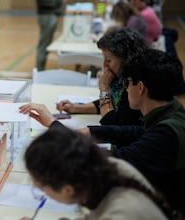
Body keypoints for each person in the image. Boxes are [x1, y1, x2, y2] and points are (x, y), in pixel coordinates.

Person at [20, 49, 185, 216]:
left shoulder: (166, 134)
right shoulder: (171, 112)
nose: (127, 89)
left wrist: (57, 127)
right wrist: (88, 131)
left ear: (140, 87)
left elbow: (108, 160)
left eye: (128, 83)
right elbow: (134, 132)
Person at [19, 123, 171, 220]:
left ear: (68, 189)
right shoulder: (110, 168)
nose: (41, 193)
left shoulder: (120, 213)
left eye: (40, 189)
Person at [56, 28, 148, 125]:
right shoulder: (119, 78)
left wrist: (104, 88)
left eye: (108, 60)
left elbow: (110, 122)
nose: (104, 65)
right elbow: (110, 102)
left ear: (125, 59)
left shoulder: (133, 84)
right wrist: (75, 108)